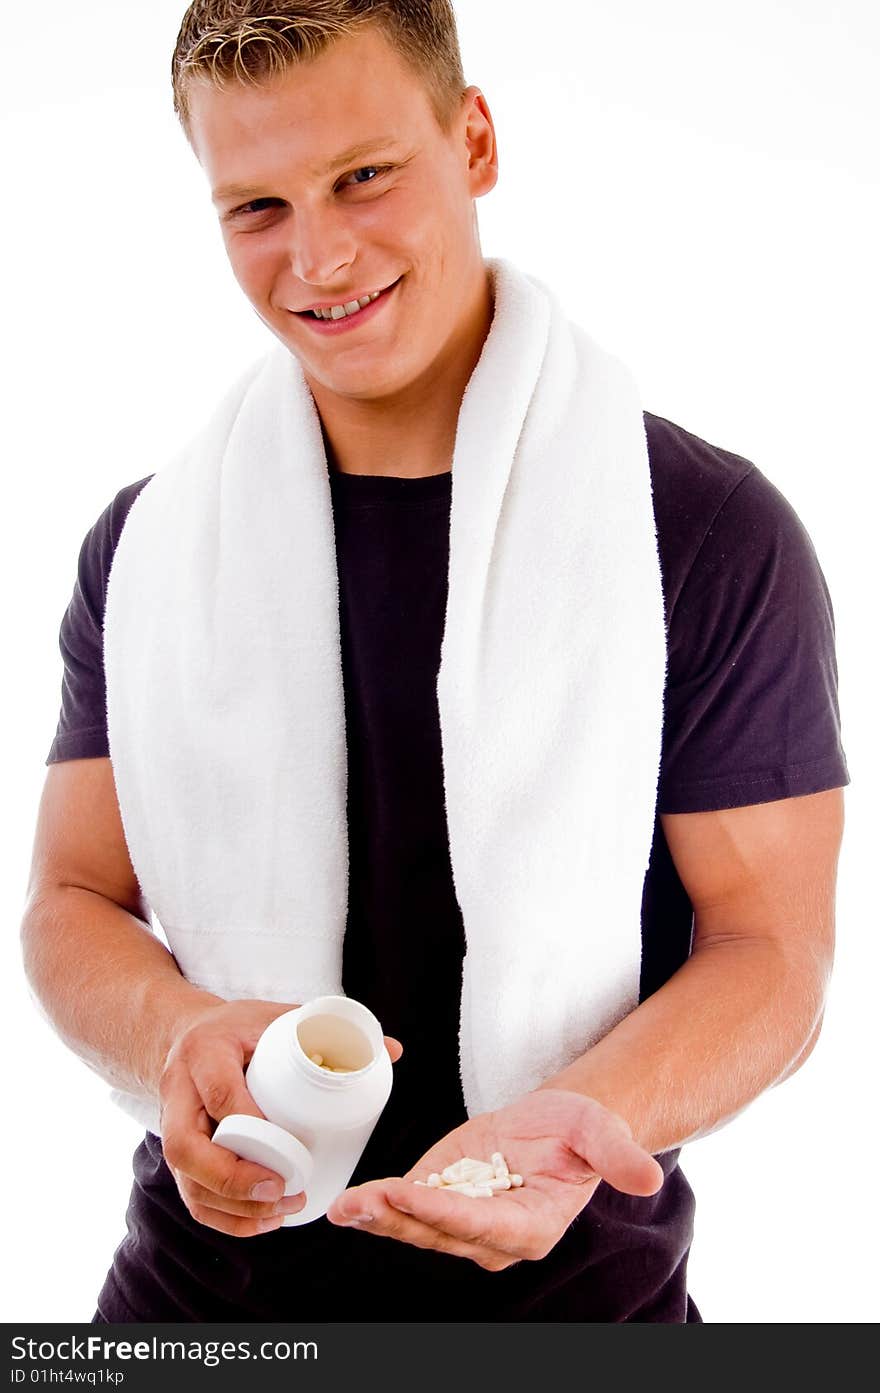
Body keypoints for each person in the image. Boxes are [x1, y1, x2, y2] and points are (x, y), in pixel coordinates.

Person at [21, 0, 848, 1323]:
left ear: (472, 138)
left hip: (582, 1306)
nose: (320, 255)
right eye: (258, 208)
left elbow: (774, 953)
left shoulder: (698, 531)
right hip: (194, 1309)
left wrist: (597, 1111)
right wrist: (176, 1032)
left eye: (363, 176)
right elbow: (70, 896)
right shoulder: (149, 545)